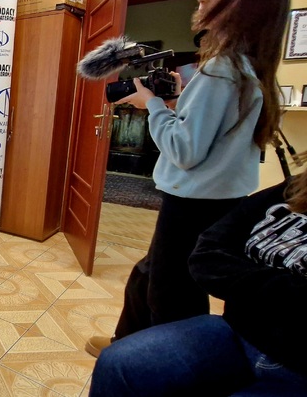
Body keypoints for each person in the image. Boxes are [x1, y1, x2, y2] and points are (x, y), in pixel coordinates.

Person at [86, 0, 290, 357]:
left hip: (193, 202)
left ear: (244, 2)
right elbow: (212, 133)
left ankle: (166, 365)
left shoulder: (220, 72)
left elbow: (184, 151)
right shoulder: (248, 68)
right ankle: (125, 343)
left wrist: (152, 104)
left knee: (172, 293)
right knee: (149, 275)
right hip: (220, 199)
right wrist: (178, 102)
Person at [89, 153, 307, 397]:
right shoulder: (294, 187)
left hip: (295, 363)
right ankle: (127, 337)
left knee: (166, 286)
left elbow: (186, 153)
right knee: (118, 360)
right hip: (240, 330)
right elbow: (206, 256)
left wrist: (157, 117)